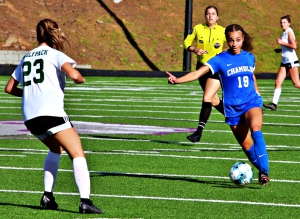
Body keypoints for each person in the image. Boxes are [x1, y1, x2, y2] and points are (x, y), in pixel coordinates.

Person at [4, 19, 104, 214]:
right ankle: (85, 201)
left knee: (56, 149)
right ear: (54, 32)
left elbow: (9, 88)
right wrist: (81, 79)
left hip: (31, 117)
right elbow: (75, 76)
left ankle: (47, 196)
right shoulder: (55, 54)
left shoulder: (27, 56)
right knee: (77, 153)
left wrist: (30, 94)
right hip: (51, 113)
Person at [167, 24, 270, 185]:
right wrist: (177, 80)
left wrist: (257, 92)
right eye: (231, 40)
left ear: (243, 39)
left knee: (256, 130)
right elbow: (197, 73)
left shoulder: (250, 57)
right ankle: (261, 169)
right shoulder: (219, 60)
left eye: (237, 40)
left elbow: (251, 75)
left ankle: (264, 172)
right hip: (232, 110)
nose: (234, 44)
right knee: (248, 148)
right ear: (226, 40)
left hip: (251, 103)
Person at [183, 5, 226, 143]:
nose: (210, 16)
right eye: (208, 13)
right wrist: (195, 50)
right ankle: (234, 115)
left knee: (207, 97)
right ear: (205, 16)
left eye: (213, 13)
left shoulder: (223, 31)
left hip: (215, 68)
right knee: (214, 100)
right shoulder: (198, 28)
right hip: (202, 67)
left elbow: (234, 43)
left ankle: (198, 132)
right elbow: (186, 42)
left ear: (217, 17)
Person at [263, 15, 300, 111]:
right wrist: (280, 50)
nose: (282, 24)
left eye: (284, 22)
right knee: (278, 82)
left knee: (296, 84)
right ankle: (274, 104)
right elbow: (288, 47)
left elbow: (294, 46)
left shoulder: (289, 32)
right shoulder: (284, 33)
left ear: (289, 23)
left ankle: (274, 104)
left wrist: (281, 43)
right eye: (281, 22)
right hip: (284, 61)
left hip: (291, 61)